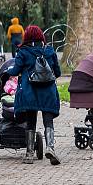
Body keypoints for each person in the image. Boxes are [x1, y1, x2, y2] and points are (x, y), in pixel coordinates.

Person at [6, 25, 62, 165]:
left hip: (29, 91)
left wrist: (8, 70)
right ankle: (50, 147)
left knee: (31, 121)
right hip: (48, 91)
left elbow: (15, 70)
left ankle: (30, 153)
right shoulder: (49, 51)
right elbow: (58, 72)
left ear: (27, 37)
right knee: (48, 121)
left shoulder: (23, 52)